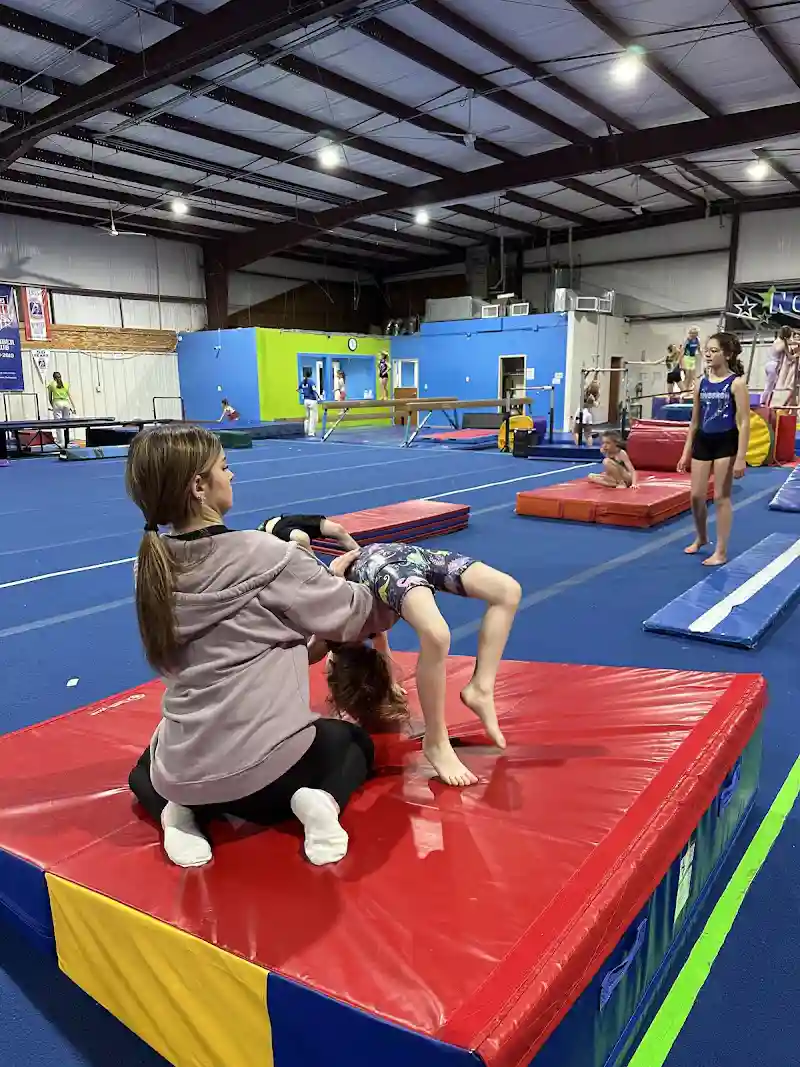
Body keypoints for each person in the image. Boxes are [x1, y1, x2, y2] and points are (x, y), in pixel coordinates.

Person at [124, 424, 395, 869]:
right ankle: (318, 800)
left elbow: (244, 642)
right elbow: (358, 615)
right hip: (269, 781)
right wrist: (387, 578)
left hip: (189, 779)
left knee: (147, 768)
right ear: (198, 486)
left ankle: (176, 814)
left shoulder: (148, 568)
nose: (231, 476)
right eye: (224, 467)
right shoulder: (266, 554)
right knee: (351, 743)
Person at [316, 542, 521, 788]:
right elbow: (381, 644)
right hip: (406, 557)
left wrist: (334, 580)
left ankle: (436, 740)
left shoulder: (329, 631)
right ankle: (481, 688)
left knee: (437, 635)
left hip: (384, 566)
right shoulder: (367, 629)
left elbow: (312, 650)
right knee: (507, 591)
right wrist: (391, 683)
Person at [678, 332, 750, 567]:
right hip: (703, 440)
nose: (708, 354)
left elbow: (744, 422)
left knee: (721, 496)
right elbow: (694, 421)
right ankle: (701, 537)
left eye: (714, 350)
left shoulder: (736, 383)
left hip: (725, 441)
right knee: (696, 496)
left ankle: (721, 551)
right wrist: (685, 452)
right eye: (706, 350)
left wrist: (741, 457)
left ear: (727, 354)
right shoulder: (701, 383)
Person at [258, 513, 359, 553]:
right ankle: (317, 571)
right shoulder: (267, 535)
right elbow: (302, 537)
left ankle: (363, 555)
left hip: (279, 521)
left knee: (337, 529)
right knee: (302, 538)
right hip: (272, 530)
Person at [47, 371, 76, 448]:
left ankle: (61, 442)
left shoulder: (51, 384)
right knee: (67, 423)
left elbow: (50, 398)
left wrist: (53, 406)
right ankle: (68, 441)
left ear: (53, 378)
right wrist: (73, 407)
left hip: (57, 402)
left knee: (58, 424)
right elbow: (70, 396)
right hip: (66, 403)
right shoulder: (66, 384)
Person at [299, 369, 321, 437]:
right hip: (312, 400)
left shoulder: (303, 382)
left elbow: (298, 389)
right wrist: (318, 398)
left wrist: (303, 393)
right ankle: (311, 432)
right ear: (310, 374)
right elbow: (314, 391)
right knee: (313, 417)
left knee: (307, 416)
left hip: (306, 400)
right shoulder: (311, 382)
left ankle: (305, 430)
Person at [682, 326, 701, 393]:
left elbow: (699, 349)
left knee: (692, 375)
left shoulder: (697, 340)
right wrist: (680, 361)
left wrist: (703, 356)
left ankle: (689, 388)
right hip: (687, 357)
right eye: (691, 333)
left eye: (694, 333)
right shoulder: (687, 340)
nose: (693, 335)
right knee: (687, 375)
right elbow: (683, 350)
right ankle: (684, 389)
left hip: (693, 358)